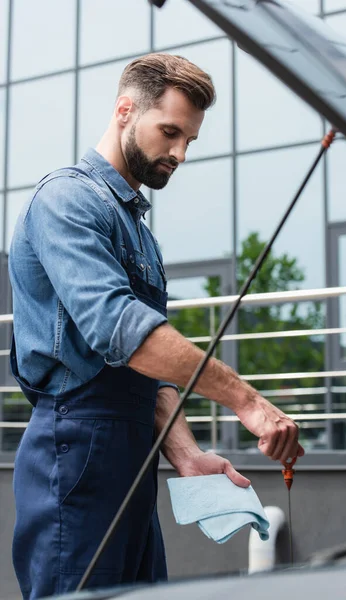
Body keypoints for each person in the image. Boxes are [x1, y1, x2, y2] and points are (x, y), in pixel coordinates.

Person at [8, 53, 304, 600]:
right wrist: (245, 399)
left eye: (189, 139)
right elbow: (123, 330)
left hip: (133, 454)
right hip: (74, 451)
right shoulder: (66, 200)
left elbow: (148, 369)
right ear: (125, 110)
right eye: (170, 132)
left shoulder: (138, 228)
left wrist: (185, 453)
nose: (179, 153)